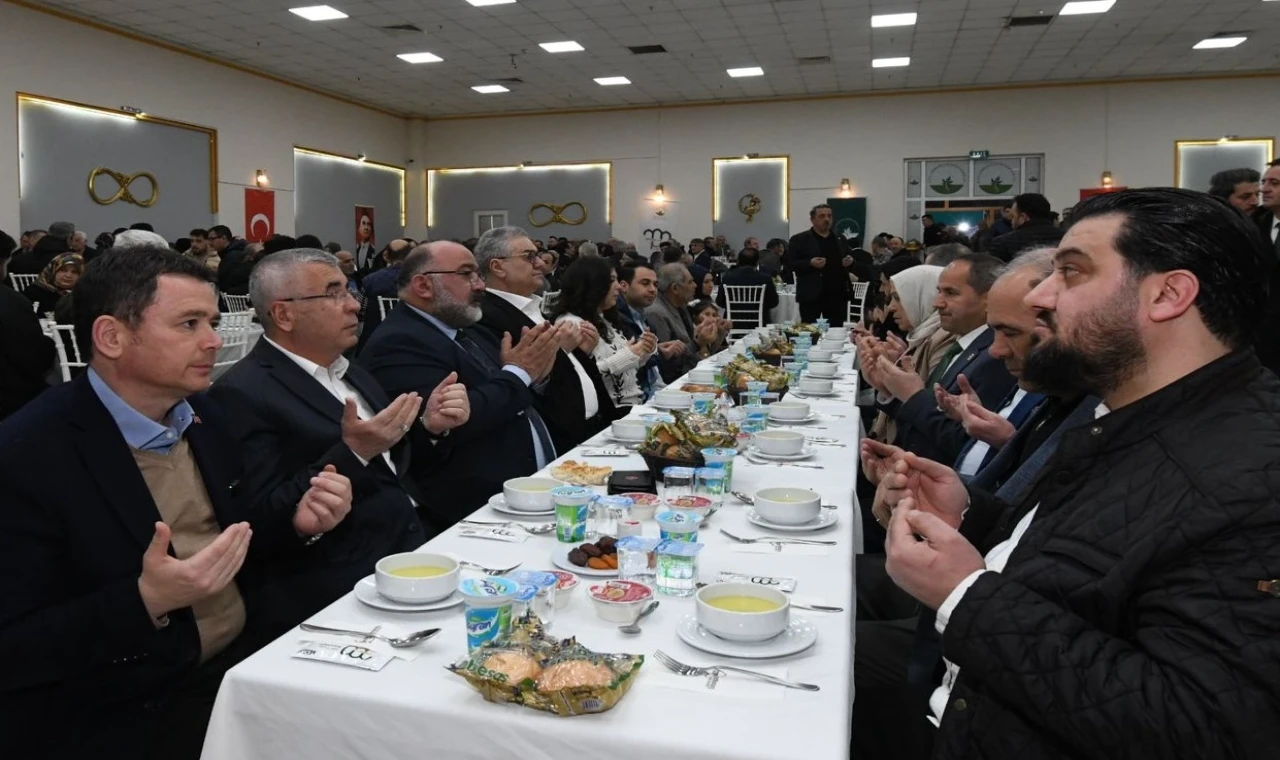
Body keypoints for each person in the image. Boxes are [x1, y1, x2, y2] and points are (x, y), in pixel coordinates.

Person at [879, 187, 1280, 760]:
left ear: (1168, 295)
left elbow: (1206, 727)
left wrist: (965, 597)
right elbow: (1082, 563)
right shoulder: (1124, 414)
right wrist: (969, 515)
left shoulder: (1254, 474)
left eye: (1070, 273)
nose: (1040, 296)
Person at [0, 246, 354, 759]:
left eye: (212, 322)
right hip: (129, 708)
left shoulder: (204, 417)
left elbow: (233, 542)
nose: (214, 341)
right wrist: (146, 601)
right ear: (111, 337)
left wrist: (296, 523)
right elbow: (15, 644)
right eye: (189, 324)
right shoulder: (28, 455)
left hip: (242, 666)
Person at [851, 249, 1095, 760]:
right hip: (973, 628)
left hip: (980, 658)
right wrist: (962, 509)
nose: (997, 349)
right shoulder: (1069, 404)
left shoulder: (1099, 419)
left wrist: (965, 584)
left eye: (1013, 332)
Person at [208, 249, 470, 632]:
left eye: (348, 291)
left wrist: (430, 428)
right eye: (333, 293)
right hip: (343, 579)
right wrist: (354, 453)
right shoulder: (242, 393)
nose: (354, 305)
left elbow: (393, 468)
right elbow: (260, 520)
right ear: (284, 315)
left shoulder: (350, 370)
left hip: (419, 541)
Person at [360, 241, 564, 522]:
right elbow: (455, 420)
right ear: (423, 286)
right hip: (477, 511)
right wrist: (520, 373)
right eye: (467, 274)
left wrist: (536, 375)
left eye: (478, 274)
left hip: (527, 493)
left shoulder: (467, 330)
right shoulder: (398, 343)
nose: (480, 285)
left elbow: (511, 392)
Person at [473, 226, 619, 453]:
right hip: (554, 436)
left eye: (538, 255)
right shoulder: (487, 316)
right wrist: (559, 349)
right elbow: (520, 381)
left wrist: (581, 353)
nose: (540, 263)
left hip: (586, 427)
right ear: (498, 267)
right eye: (529, 256)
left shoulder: (531, 305)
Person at [864, 254, 1016, 465]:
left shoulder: (994, 355)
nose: (937, 303)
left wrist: (913, 395)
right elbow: (926, 416)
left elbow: (968, 443)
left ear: (989, 299)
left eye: (951, 293)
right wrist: (890, 389)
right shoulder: (963, 343)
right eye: (938, 292)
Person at [547, 257, 656, 408]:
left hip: (632, 404)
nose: (618, 287)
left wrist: (644, 350)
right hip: (610, 411)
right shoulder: (572, 325)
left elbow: (625, 371)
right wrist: (629, 354)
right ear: (592, 284)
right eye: (611, 280)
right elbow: (583, 377)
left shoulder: (604, 318)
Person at [788, 204, 872, 325]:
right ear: (812, 219)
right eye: (822, 216)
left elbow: (848, 257)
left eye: (829, 216)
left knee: (836, 328)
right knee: (810, 328)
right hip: (812, 293)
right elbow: (790, 263)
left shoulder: (839, 238)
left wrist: (849, 262)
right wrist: (810, 263)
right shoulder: (800, 239)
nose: (826, 219)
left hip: (836, 292)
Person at [646, 263, 720, 381]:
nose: (695, 285)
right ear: (675, 288)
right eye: (690, 282)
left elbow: (690, 342)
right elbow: (667, 364)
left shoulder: (680, 306)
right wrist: (697, 343)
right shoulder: (657, 313)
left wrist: (716, 332)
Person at [715, 247, 779, 332]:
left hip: (733, 322)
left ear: (738, 261)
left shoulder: (728, 278)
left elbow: (720, 301)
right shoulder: (765, 279)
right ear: (757, 262)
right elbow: (774, 302)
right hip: (760, 322)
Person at [986, 193, 1064, 262]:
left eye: (1013, 217)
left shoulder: (1003, 243)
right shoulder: (1065, 237)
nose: (1011, 222)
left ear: (1023, 217)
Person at [212, 225, 252, 295]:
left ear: (224, 238)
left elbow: (223, 280)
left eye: (212, 239)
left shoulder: (233, 255)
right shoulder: (230, 253)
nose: (209, 242)